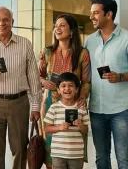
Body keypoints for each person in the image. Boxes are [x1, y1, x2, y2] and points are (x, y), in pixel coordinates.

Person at [84, 0, 128, 169]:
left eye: (96, 13)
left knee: (124, 159)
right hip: (96, 108)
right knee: (101, 158)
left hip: (121, 110)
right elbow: (85, 71)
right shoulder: (89, 40)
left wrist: (120, 77)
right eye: (91, 13)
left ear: (109, 14)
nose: (92, 17)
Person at [0, 6, 42, 169]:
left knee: (19, 147)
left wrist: (35, 107)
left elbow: (34, 78)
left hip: (19, 102)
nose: (1, 24)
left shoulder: (25, 44)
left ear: (12, 22)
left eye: (5, 20)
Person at [38, 14, 91, 169]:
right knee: (50, 145)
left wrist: (82, 98)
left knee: (73, 142)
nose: (57, 28)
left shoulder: (82, 54)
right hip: (49, 105)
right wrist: (43, 82)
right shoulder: (47, 52)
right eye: (56, 25)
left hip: (74, 106)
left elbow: (87, 81)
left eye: (62, 25)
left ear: (72, 31)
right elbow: (39, 76)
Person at [43, 72, 90, 169]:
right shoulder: (54, 107)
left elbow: (85, 130)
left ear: (77, 89)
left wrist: (81, 126)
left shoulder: (81, 108)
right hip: (58, 154)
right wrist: (59, 127)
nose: (67, 88)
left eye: (71, 86)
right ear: (58, 90)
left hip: (76, 154)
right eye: (63, 86)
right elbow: (47, 129)